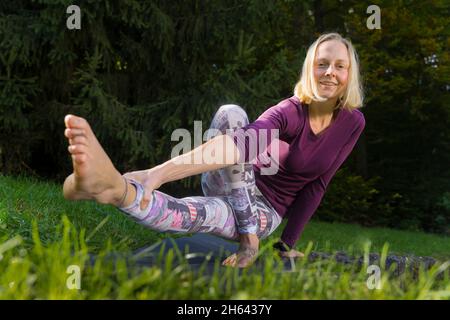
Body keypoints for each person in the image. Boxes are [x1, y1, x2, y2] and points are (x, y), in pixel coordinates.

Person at [62, 32, 365, 268]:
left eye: (339, 66)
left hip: (265, 211)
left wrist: (286, 244)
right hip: (227, 181)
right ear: (309, 69)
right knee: (232, 113)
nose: (329, 72)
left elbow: (318, 185)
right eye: (321, 64)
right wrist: (159, 173)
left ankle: (115, 190)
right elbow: (239, 145)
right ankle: (247, 237)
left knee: (199, 214)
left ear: (349, 74)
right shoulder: (290, 111)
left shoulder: (353, 123)